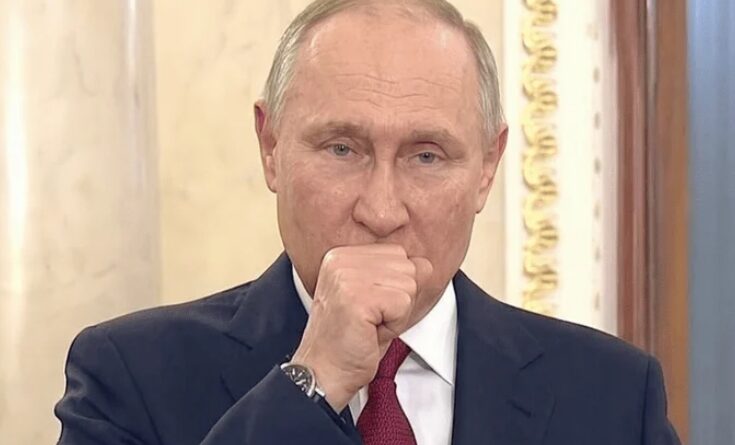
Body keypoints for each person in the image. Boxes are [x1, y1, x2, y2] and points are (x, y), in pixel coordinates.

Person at [55, 0, 681, 444]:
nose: (381, 211)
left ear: (487, 169)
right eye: (342, 149)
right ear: (271, 147)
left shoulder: (614, 397)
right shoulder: (130, 375)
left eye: (427, 156)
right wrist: (312, 380)